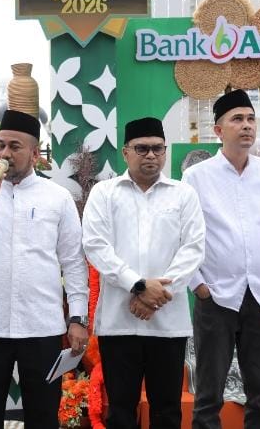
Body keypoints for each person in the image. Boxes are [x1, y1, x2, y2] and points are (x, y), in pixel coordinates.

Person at [0, 109, 88, 429]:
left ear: (35, 154)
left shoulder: (57, 197)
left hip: (41, 327)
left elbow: (73, 261)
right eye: (1, 145)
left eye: (15, 146)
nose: (5, 154)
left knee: (43, 416)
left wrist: (78, 318)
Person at [82, 117, 206, 428]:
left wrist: (158, 295)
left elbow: (193, 249)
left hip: (168, 324)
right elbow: (96, 246)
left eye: (157, 148)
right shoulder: (104, 193)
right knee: (120, 411)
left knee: (167, 411)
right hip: (119, 323)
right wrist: (138, 285)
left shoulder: (183, 194)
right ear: (126, 152)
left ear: (165, 151)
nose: (151, 155)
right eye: (142, 148)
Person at [181, 89, 260, 429]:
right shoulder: (196, 177)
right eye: (237, 119)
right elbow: (183, 237)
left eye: (250, 119)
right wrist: (198, 285)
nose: (247, 125)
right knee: (208, 395)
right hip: (215, 297)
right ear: (218, 130)